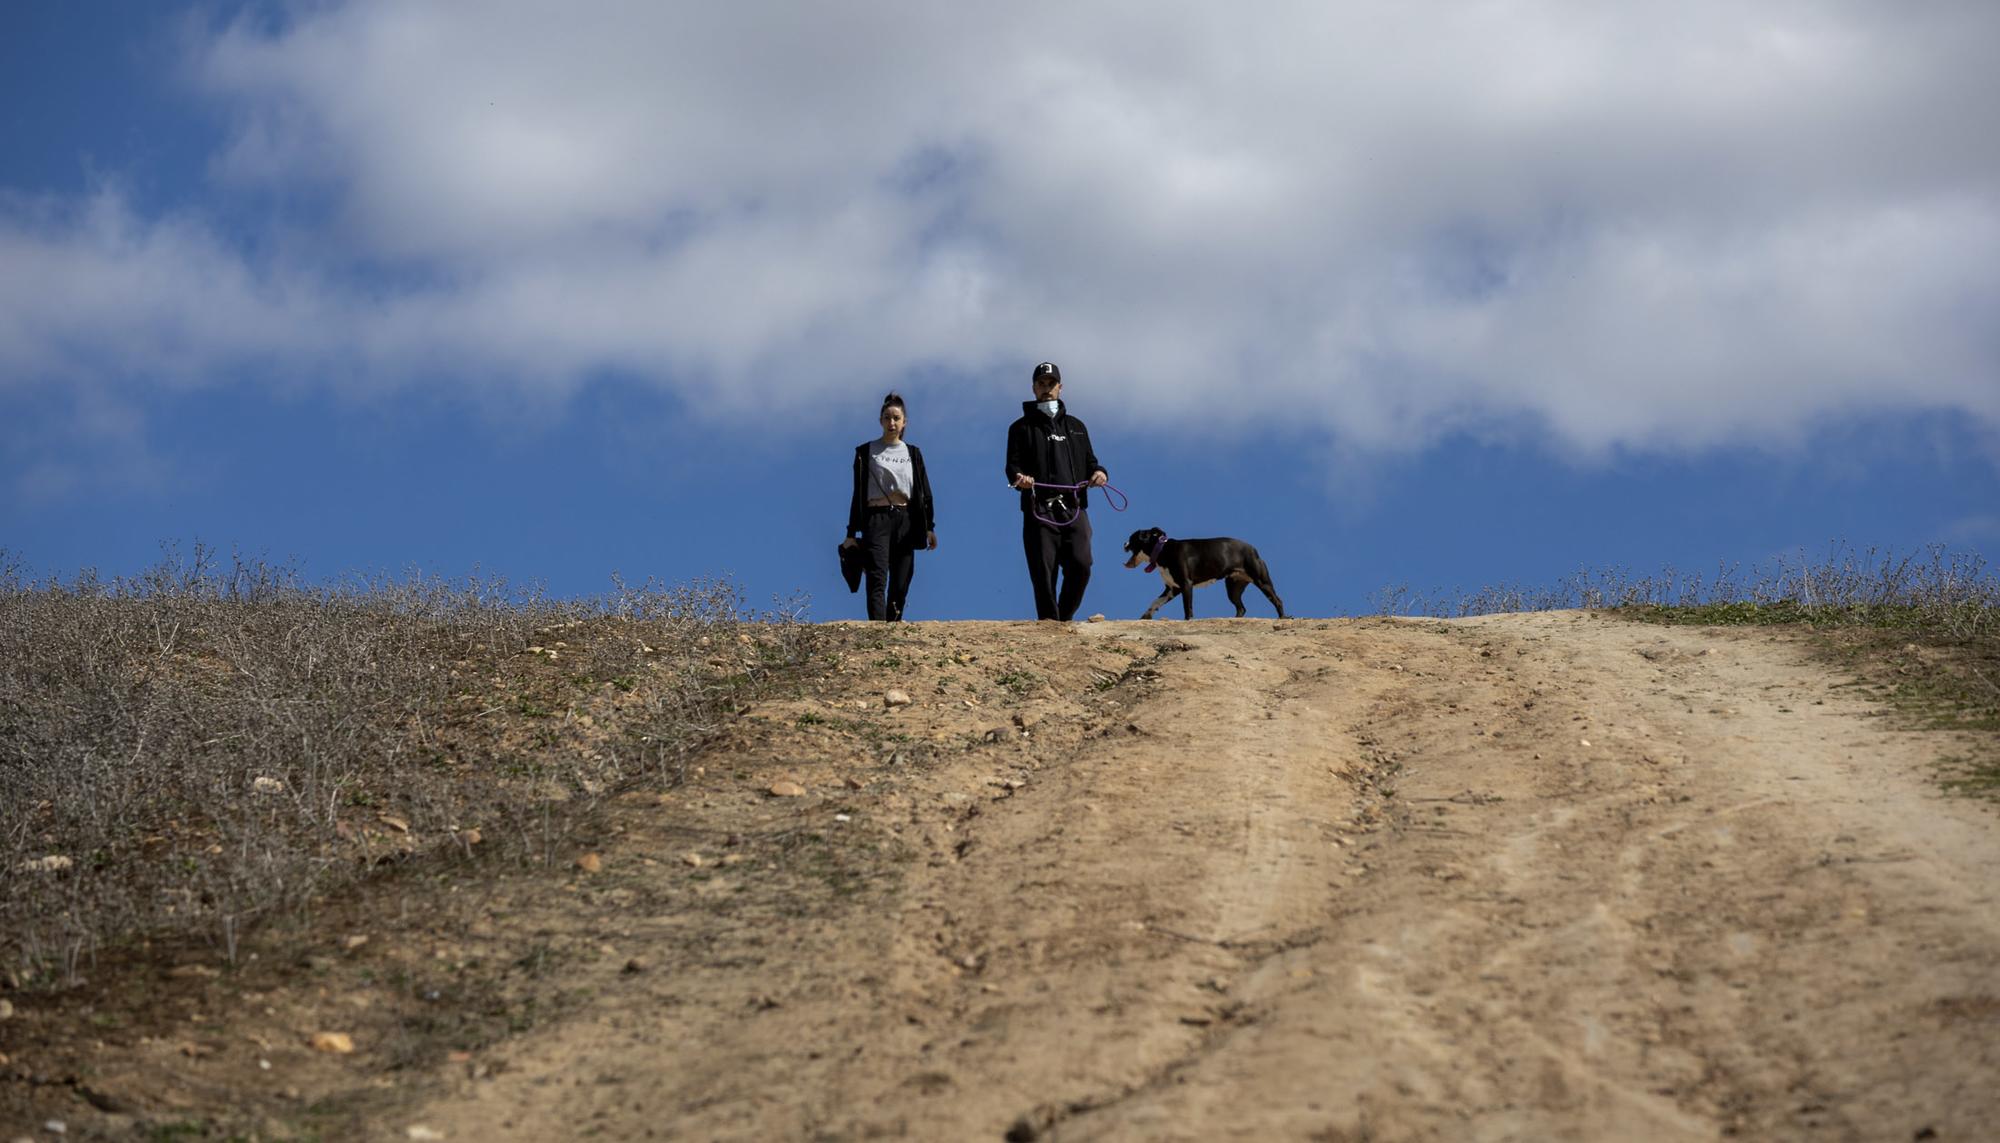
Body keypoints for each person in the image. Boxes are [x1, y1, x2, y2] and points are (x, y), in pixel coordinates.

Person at [1005, 361, 1108, 621]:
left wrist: (1099, 473)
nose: (1046, 389)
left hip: (1074, 507)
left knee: (1082, 564)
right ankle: (1049, 624)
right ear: (1033, 388)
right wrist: (1021, 478)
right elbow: (1012, 466)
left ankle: (1063, 618)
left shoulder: (1076, 426)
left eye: (1051, 384)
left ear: (1060, 388)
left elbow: (1091, 463)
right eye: (1041, 384)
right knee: (1043, 572)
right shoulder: (1020, 428)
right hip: (1038, 509)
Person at [843, 392, 936, 621]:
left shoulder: (913, 453)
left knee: (902, 578)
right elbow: (858, 493)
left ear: (904, 422)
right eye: (887, 417)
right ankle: (877, 628)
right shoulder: (866, 452)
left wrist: (929, 527)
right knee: (876, 576)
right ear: (880, 420)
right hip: (876, 518)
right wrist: (851, 533)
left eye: (896, 418)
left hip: (906, 518)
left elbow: (924, 491)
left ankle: (893, 624)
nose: (891, 423)